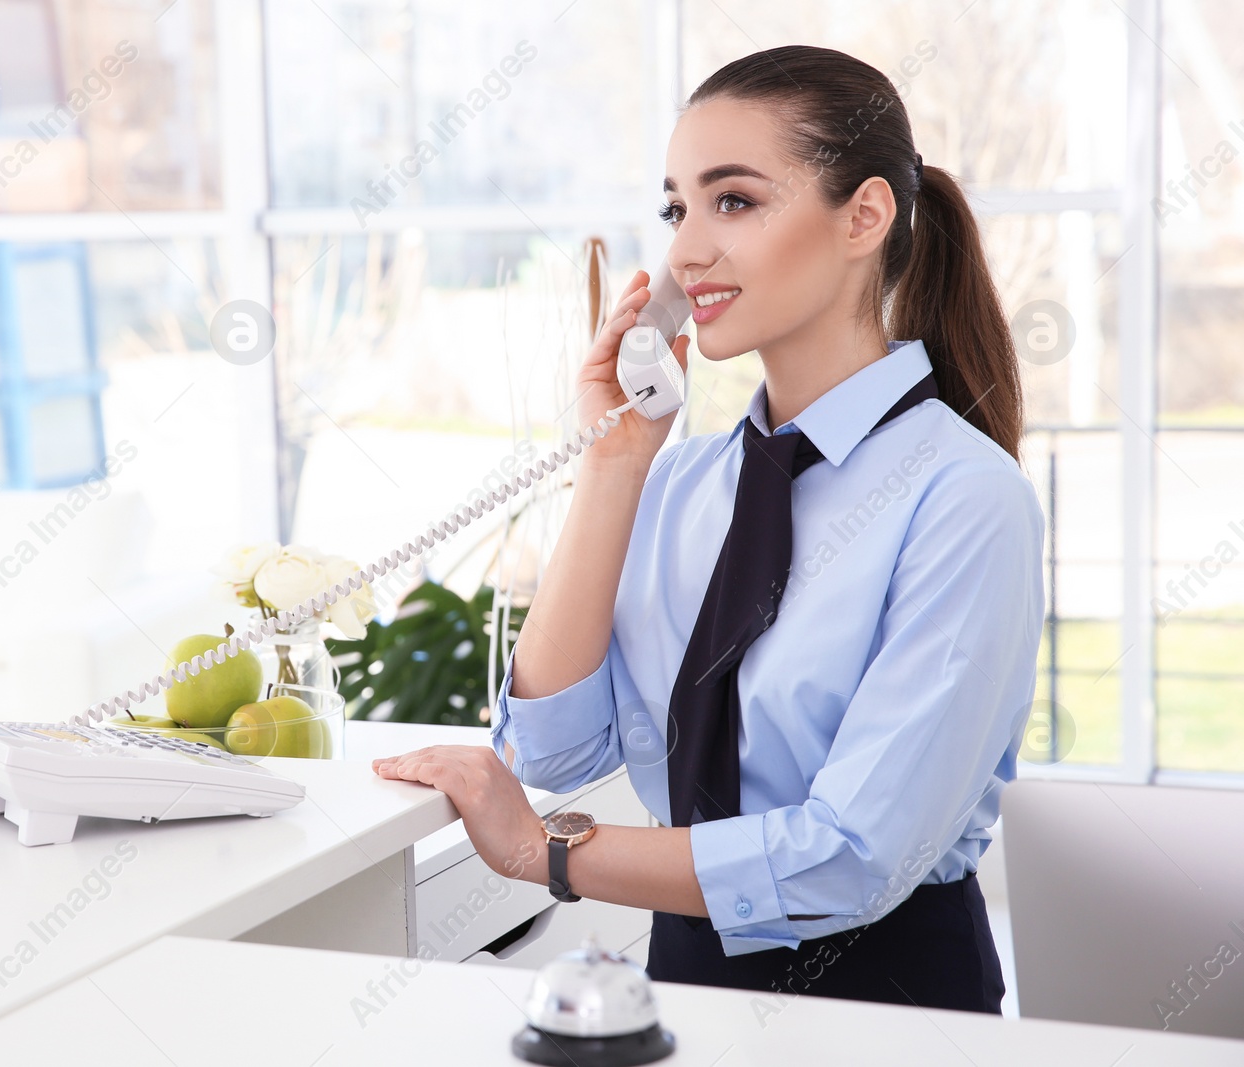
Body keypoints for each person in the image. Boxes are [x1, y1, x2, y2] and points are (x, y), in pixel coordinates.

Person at [371, 44, 1042, 1014]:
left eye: (733, 201)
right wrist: (613, 462)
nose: (685, 251)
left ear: (864, 216)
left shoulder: (964, 499)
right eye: (675, 208)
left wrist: (542, 851)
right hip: (682, 988)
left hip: (888, 1001)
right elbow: (554, 749)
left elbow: (849, 856)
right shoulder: (681, 482)